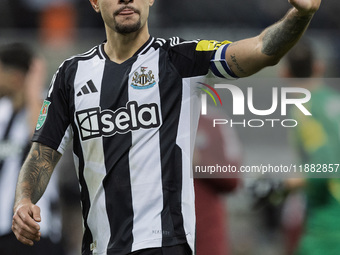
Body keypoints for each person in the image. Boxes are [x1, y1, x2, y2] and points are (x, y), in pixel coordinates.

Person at [11, 0, 321, 254]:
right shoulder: (70, 75)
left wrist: (300, 14)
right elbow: (43, 151)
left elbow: (260, 51)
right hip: (99, 247)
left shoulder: (179, 60)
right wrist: (24, 200)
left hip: (164, 244)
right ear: (94, 2)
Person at [0, 43, 64, 255]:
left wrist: (34, 83)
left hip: (36, 228)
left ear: (16, 77)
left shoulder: (45, 103)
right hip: (3, 227)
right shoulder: (4, 111)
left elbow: (40, 136)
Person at [282, 40, 340, 255]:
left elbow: (325, 167)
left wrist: (286, 185)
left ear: (285, 74)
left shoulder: (304, 110)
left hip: (330, 227)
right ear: (319, 67)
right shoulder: (336, 102)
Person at [193, 110, 241, 255]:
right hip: (163, 234)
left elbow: (233, 177)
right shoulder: (152, 119)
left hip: (206, 238)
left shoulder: (214, 122)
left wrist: (200, 161)